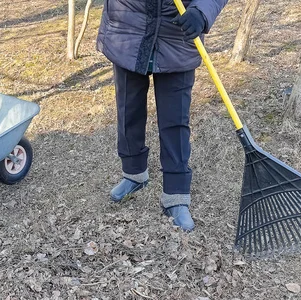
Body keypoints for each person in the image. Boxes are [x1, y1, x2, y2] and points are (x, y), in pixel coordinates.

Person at [97, 0, 228, 231]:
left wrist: (201, 12)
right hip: (128, 28)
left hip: (177, 35)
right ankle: (134, 173)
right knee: (128, 108)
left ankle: (176, 195)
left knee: (175, 120)